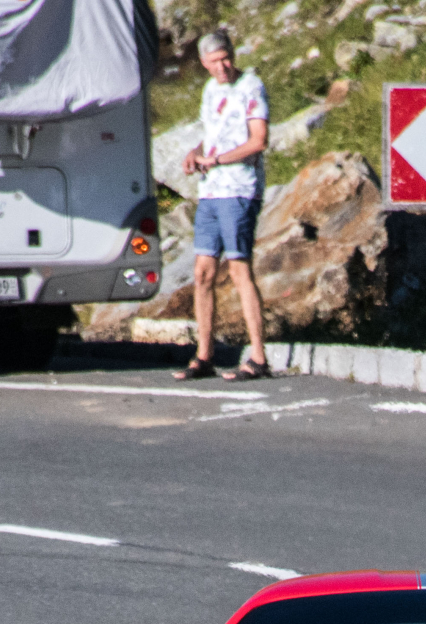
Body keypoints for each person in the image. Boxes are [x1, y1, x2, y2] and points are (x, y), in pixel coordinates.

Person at [177, 30, 271, 382]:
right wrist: (195, 152)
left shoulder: (251, 86)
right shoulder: (210, 90)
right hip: (211, 191)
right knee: (202, 272)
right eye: (214, 61)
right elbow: (213, 133)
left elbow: (258, 141)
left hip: (239, 188)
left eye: (226, 58)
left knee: (238, 269)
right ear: (203, 63)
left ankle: (258, 356)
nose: (222, 66)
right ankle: (204, 355)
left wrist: (217, 161)